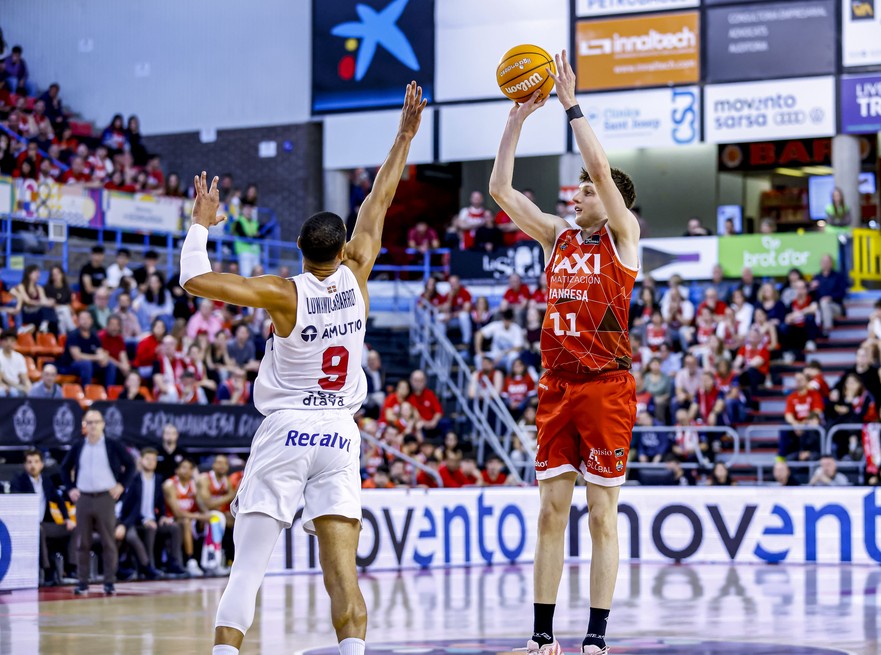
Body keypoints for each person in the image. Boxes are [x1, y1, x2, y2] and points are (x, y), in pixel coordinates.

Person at [179, 82, 426, 655]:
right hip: (340, 433)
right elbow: (380, 200)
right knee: (343, 575)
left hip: (287, 429)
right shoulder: (359, 272)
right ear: (343, 248)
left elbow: (195, 280)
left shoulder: (281, 294)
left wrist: (201, 225)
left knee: (249, 569)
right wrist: (404, 135)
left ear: (298, 246)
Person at [489, 52, 638, 655]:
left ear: (610, 199)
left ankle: (596, 638)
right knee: (551, 512)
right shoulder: (557, 236)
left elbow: (601, 167)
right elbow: (500, 189)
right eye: (576, 189)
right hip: (556, 386)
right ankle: (542, 635)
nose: (577, 194)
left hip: (606, 387)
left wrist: (572, 105)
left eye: (585, 189)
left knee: (603, 515)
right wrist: (517, 120)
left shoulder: (624, 238)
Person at [61, 409, 136, 596]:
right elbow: (64, 467)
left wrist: (121, 485)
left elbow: (131, 464)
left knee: (108, 542)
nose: (93, 426)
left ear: (103, 424)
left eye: (96, 422)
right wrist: (71, 488)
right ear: (84, 426)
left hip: (105, 497)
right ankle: (83, 582)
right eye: (89, 422)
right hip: (84, 498)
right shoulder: (79, 446)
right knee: (82, 542)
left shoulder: (112, 445)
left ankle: (109, 582)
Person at [10, 449, 75, 586]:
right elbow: (16, 505)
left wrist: (67, 518)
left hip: (45, 523)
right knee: (39, 531)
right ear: (24, 465)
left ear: (41, 464)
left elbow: (58, 499)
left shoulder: (46, 480)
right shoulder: (18, 481)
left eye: (36, 462)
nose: (33, 465)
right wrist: (30, 521)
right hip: (26, 526)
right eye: (29, 462)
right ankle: (47, 570)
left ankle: (71, 568)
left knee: (72, 529)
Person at [118, 448, 187, 577]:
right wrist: (144, 520)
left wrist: (162, 516)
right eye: (148, 459)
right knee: (147, 530)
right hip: (133, 521)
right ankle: (148, 566)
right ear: (141, 460)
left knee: (174, 528)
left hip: (152, 519)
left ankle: (174, 563)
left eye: (154, 459)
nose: (151, 462)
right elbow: (128, 507)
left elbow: (160, 503)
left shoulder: (158, 479)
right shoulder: (134, 480)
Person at [163, 458, 209, 577]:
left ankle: (210, 560)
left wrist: (205, 515)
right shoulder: (170, 484)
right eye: (183, 467)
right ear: (177, 470)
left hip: (192, 518)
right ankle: (190, 560)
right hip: (173, 519)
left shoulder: (193, 485)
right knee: (186, 521)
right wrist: (198, 516)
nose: (186, 471)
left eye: (189, 468)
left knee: (210, 520)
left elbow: (202, 506)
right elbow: (177, 513)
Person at [810, 254, 847, 335]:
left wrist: (830, 297)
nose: (825, 263)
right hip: (819, 308)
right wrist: (812, 289)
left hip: (836, 306)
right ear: (820, 263)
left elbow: (843, 292)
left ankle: (827, 329)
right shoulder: (816, 278)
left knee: (824, 303)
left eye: (827, 261)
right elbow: (812, 296)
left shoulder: (838, 276)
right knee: (817, 307)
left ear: (831, 263)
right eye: (823, 261)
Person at [0, 330, 30, 397]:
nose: (9, 343)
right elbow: (2, 379)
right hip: (3, 386)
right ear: (1, 342)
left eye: (12, 341)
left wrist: (28, 387)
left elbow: (24, 377)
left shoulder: (19, 357)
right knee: (5, 392)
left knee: (31, 391)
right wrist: (19, 387)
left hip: (15, 387)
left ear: (16, 342)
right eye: (6, 340)